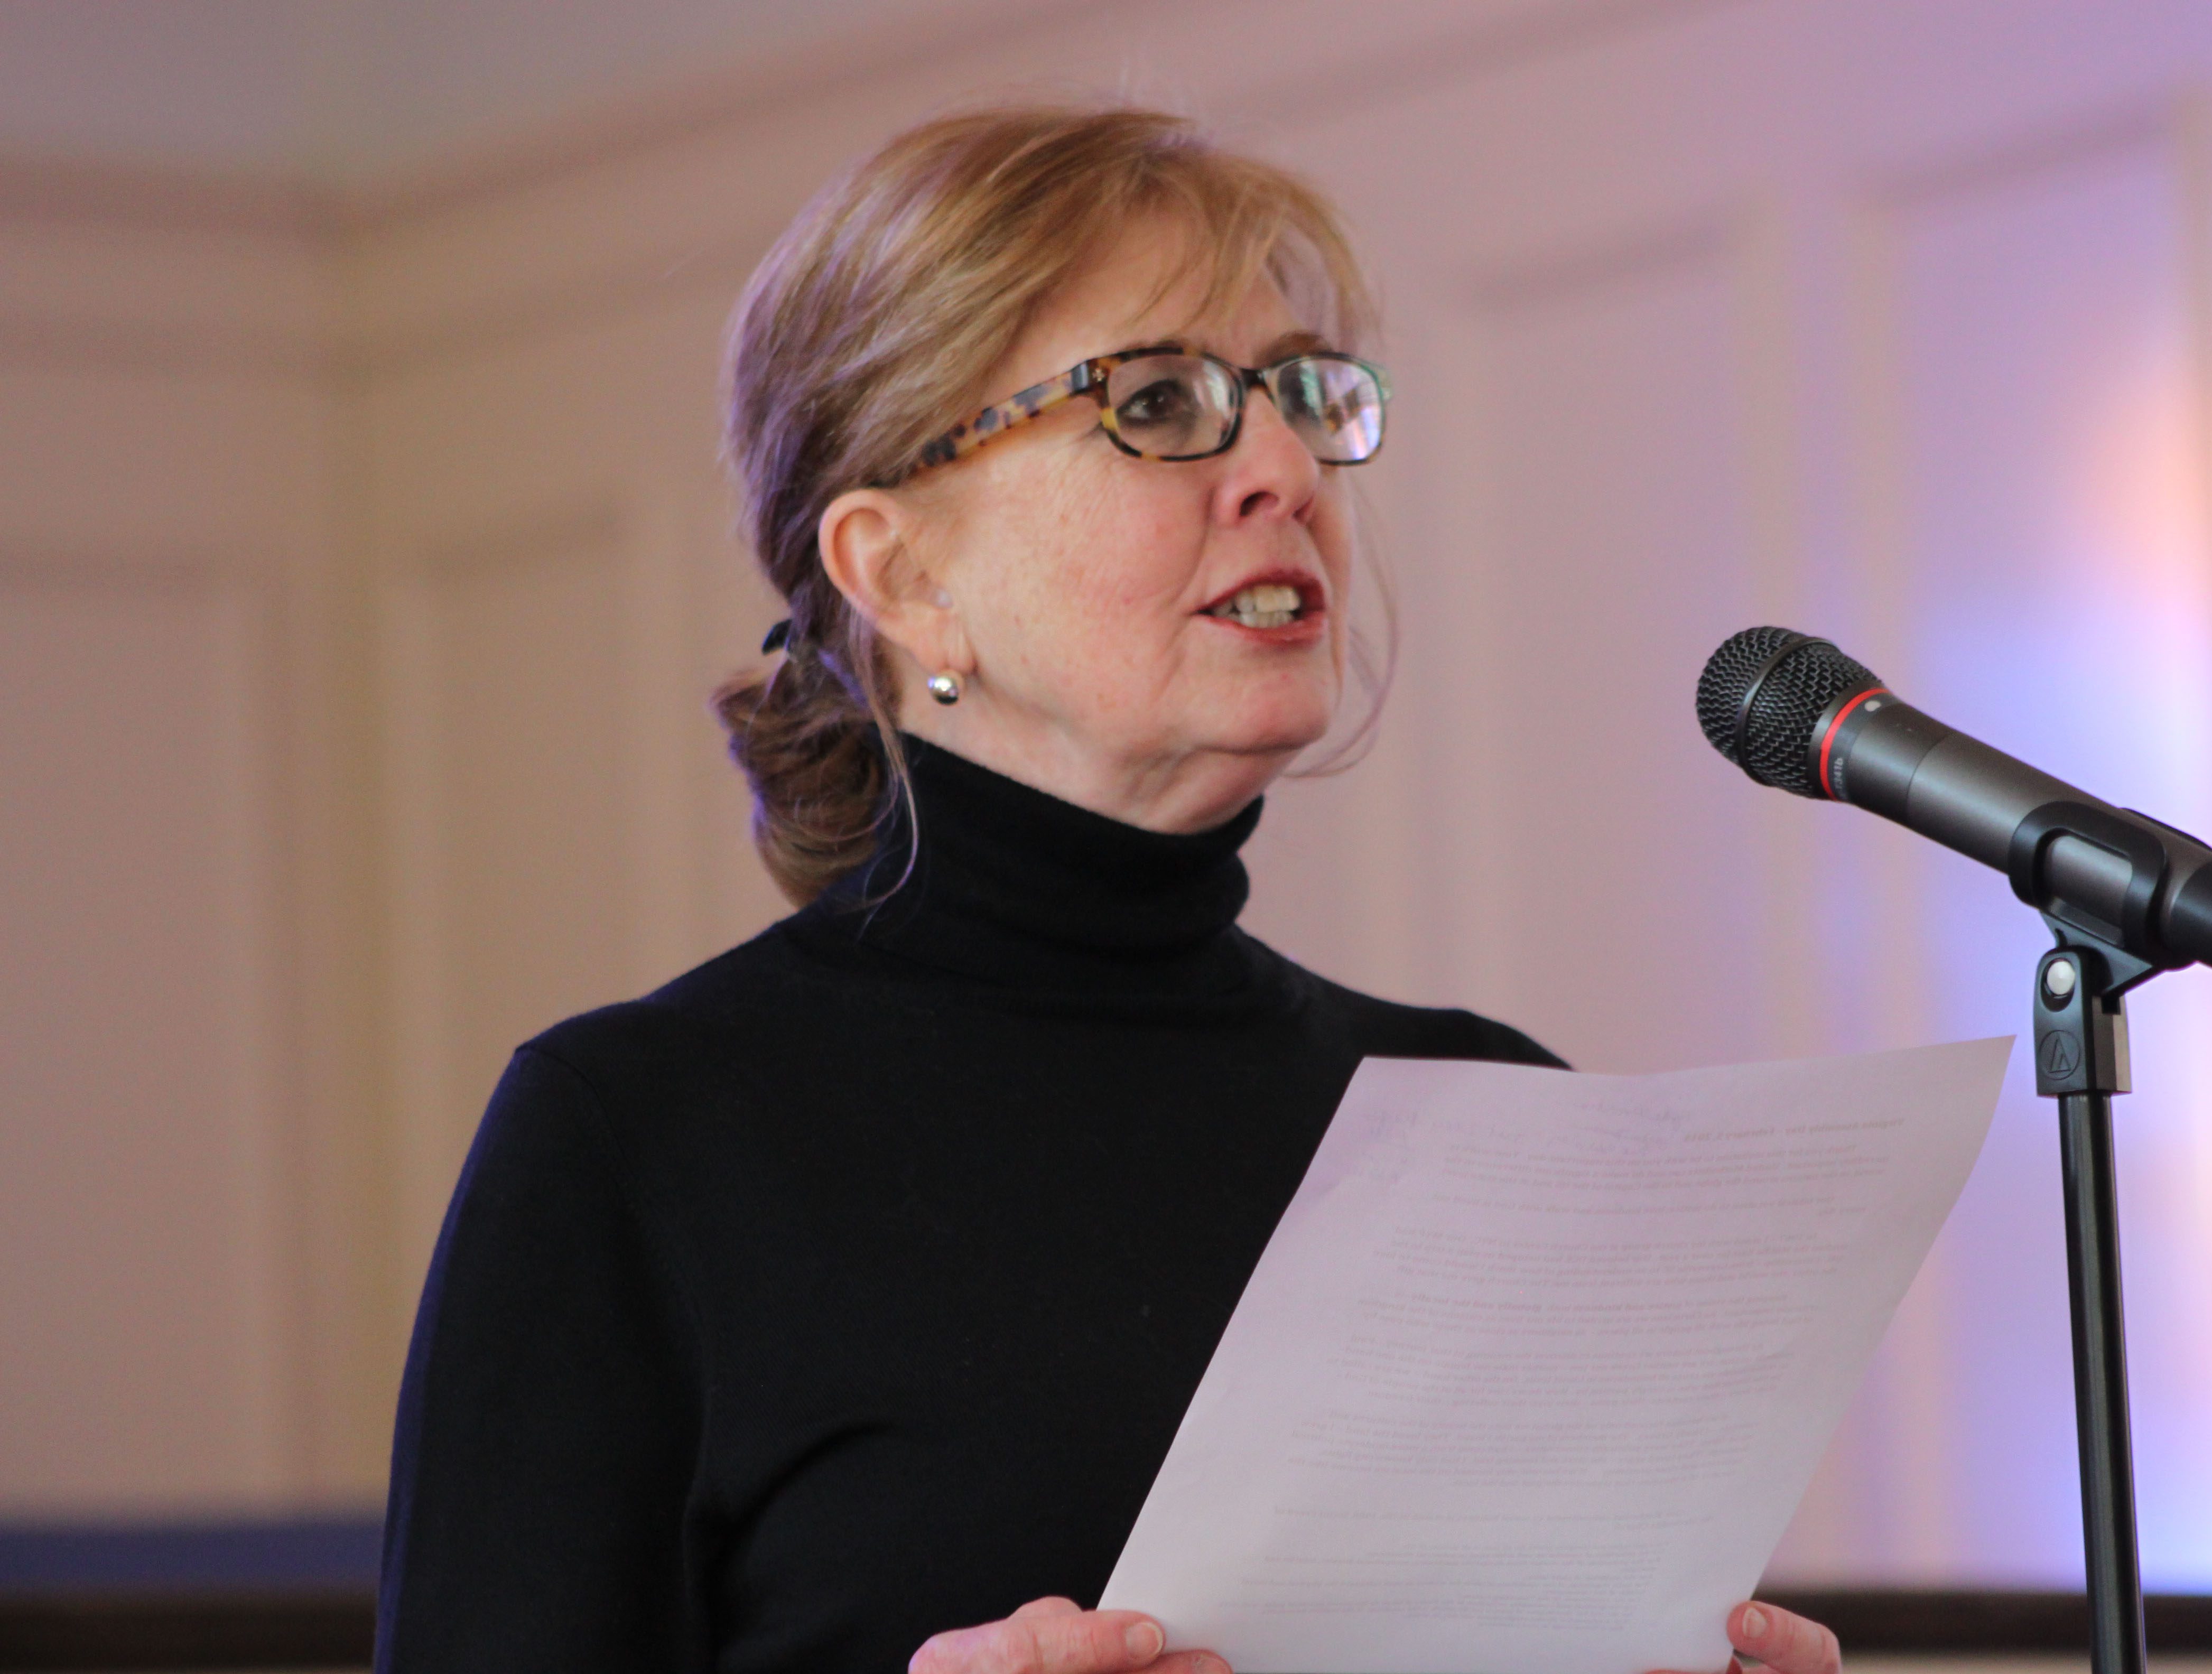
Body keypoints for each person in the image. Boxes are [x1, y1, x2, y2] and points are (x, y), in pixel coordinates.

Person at [375, 104, 1843, 1674]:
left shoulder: (1503, 1120)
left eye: (1301, 394)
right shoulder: (634, 1140)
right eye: (1157, 401)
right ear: (903, 575)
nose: (1284, 468)